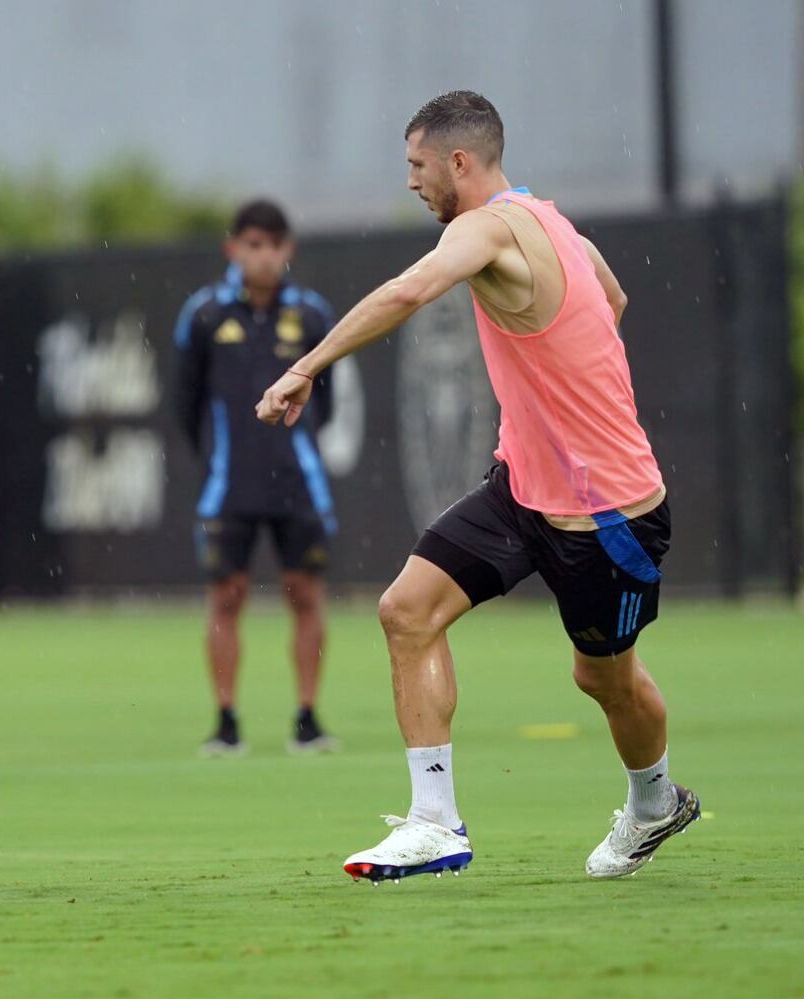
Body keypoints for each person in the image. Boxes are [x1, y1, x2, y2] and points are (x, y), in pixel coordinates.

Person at [257, 91, 698, 882]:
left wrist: (304, 367)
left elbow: (407, 293)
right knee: (406, 612)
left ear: (460, 163)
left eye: (417, 166)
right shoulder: (553, 220)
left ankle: (655, 803)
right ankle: (435, 824)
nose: (411, 183)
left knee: (604, 678)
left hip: (610, 516)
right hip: (521, 489)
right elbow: (613, 300)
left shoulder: (485, 225)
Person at [174, 199, 340, 757]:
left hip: (299, 483)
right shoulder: (203, 315)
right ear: (234, 249)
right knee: (227, 596)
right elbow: (186, 403)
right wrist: (227, 455)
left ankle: (308, 719)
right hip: (230, 485)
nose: (263, 256)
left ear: (287, 250)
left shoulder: (314, 315)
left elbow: (328, 403)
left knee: (306, 595)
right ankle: (225, 722)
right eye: (252, 245)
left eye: (273, 245)